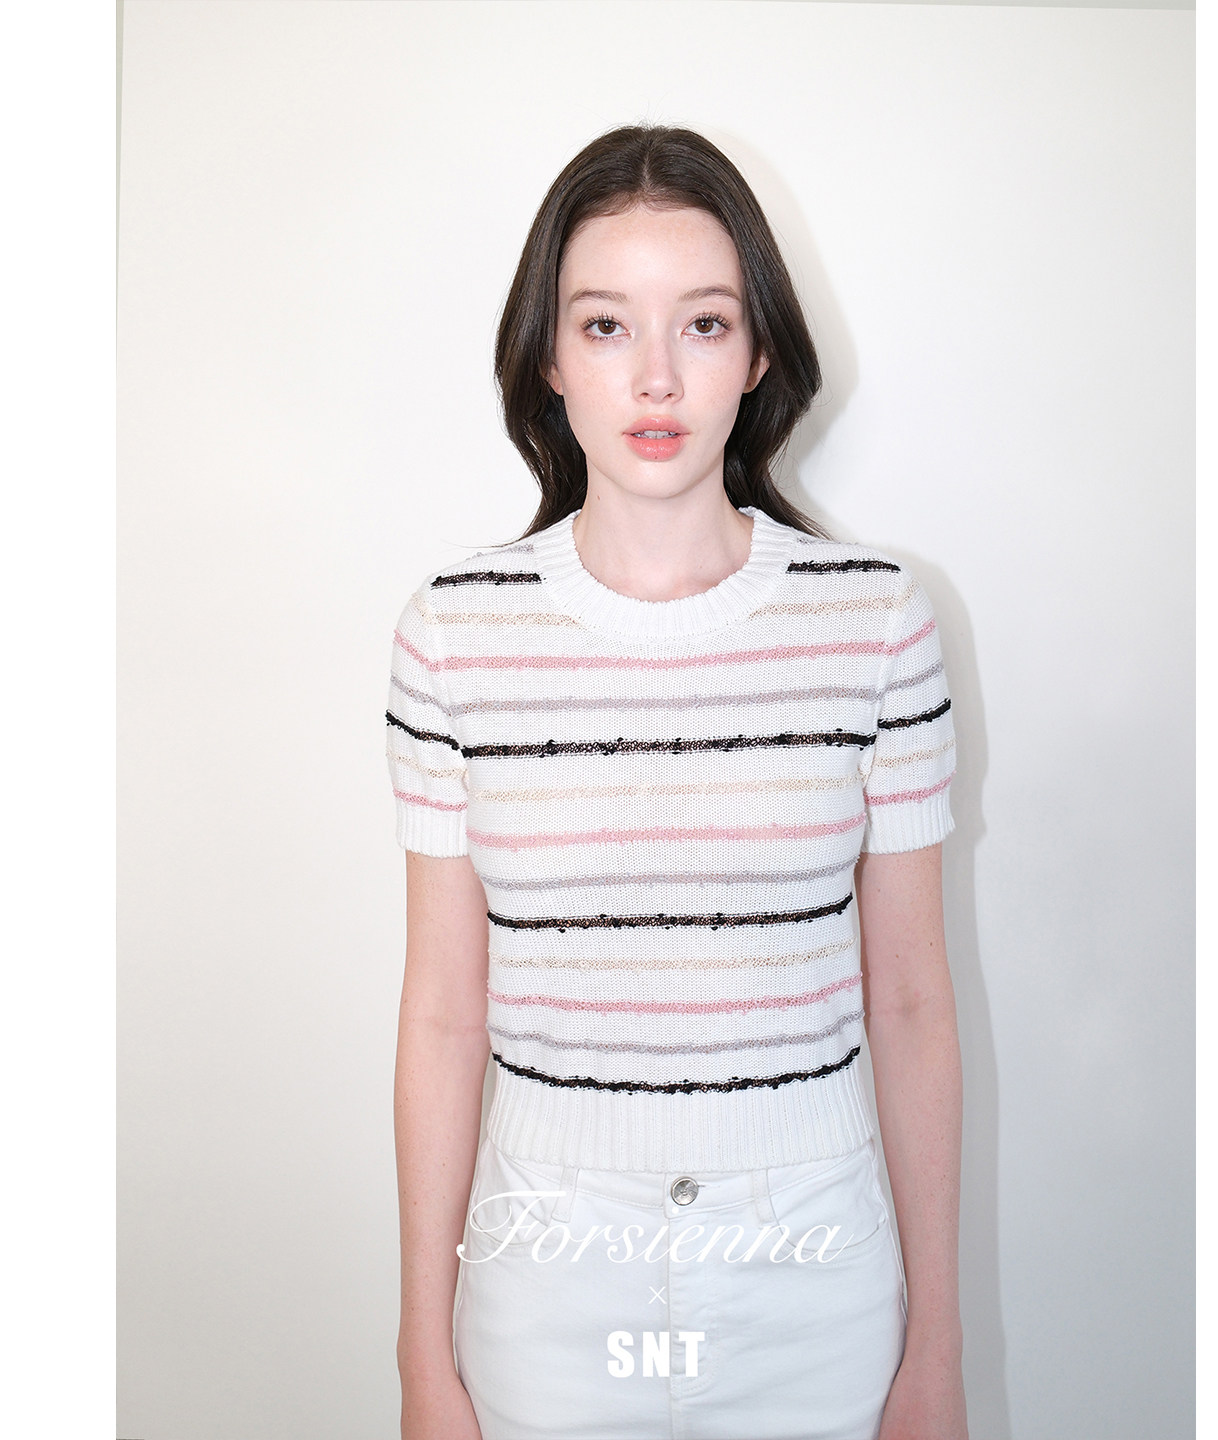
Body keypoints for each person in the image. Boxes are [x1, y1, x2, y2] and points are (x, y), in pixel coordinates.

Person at [388, 124, 967, 1440]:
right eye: (605, 326)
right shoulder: (454, 633)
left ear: (759, 354)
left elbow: (913, 1002)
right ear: (547, 357)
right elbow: (441, 1016)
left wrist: (934, 1347)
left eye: (703, 324)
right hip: (543, 1273)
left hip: (815, 1273)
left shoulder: (875, 621)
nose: (656, 376)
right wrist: (421, 1351)